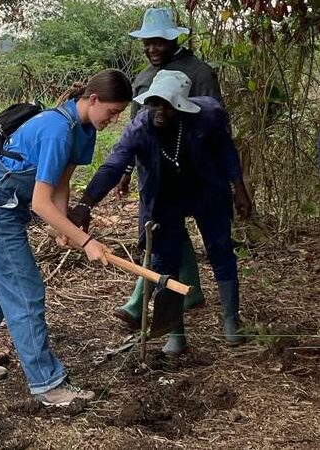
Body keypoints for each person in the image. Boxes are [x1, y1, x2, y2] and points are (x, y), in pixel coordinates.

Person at [0, 69, 133, 406]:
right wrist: (85, 241)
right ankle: (47, 383)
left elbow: (60, 183)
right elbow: (39, 202)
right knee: (24, 288)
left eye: (120, 113)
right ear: (93, 99)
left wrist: (61, 225)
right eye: (113, 111)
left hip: (8, 205)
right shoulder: (56, 130)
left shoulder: (85, 131)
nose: (115, 119)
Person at [72, 70, 252, 356]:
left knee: (220, 249)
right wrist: (85, 204)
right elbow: (112, 166)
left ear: (181, 106)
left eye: (167, 105)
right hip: (165, 196)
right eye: (154, 103)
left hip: (207, 190)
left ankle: (231, 321)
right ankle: (175, 332)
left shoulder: (209, 115)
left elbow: (225, 149)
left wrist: (238, 187)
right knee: (165, 261)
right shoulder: (139, 127)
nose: (159, 110)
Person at [108, 6, 223, 330]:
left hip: (192, 172)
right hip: (154, 172)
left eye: (159, 41)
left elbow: (215, 123)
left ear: (173, 40)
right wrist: (127, 171)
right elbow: (135, 131)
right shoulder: (144, 78)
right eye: (148, 42)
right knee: (160, 232)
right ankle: (183, 294)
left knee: (175, 234)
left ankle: (144, 301)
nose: (152, 48)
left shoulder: (199, 72)